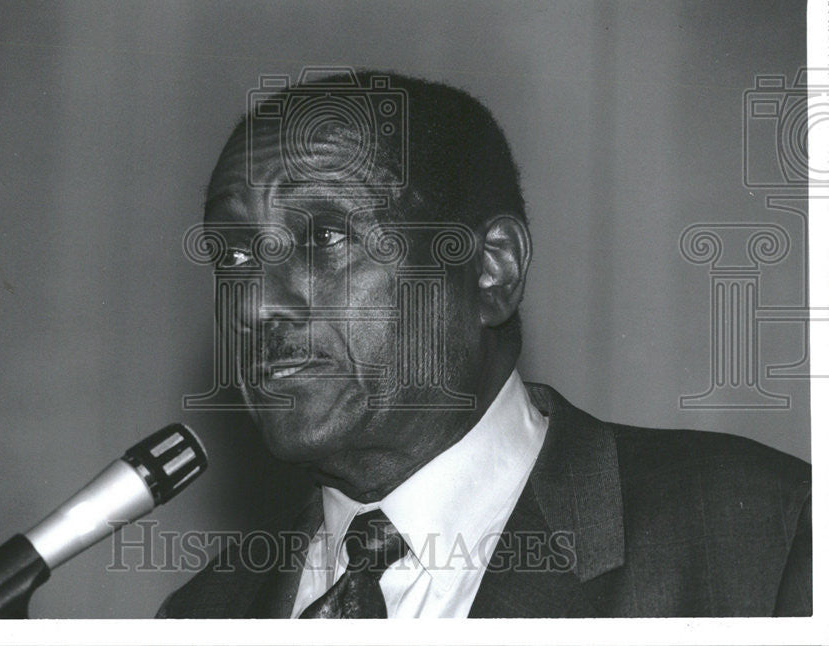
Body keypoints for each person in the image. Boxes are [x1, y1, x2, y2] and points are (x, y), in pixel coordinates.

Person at [159, 70, 812, 618]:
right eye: (235, 255)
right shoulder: (201, 615)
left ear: (491, 269)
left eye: (325, 237)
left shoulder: (764, 539)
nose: (256, 303)